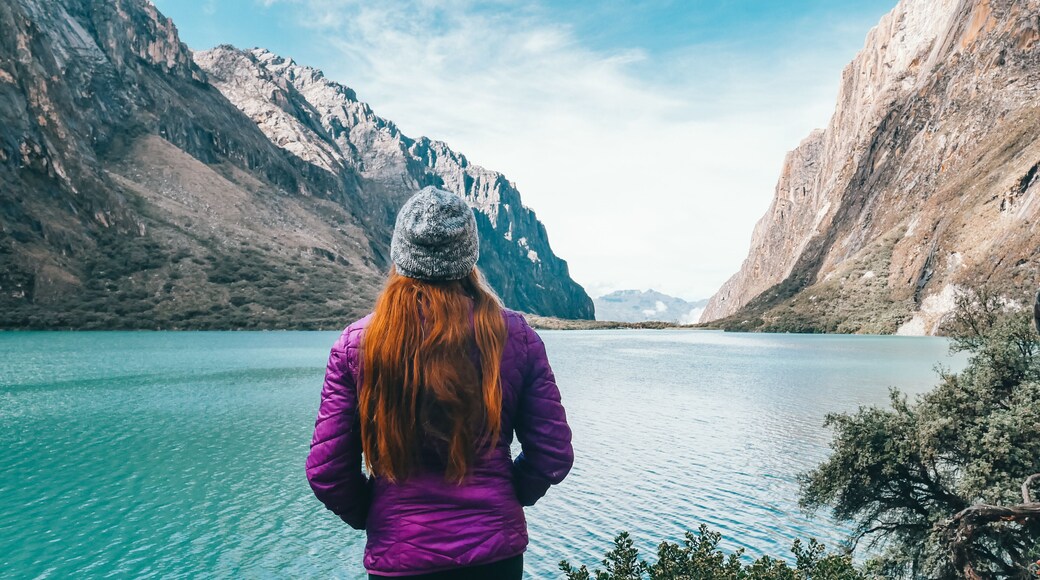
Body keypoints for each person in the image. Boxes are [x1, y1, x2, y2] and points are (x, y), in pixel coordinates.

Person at [306, 186, 574, 579]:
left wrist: (381, 515)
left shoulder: (357, 344)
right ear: (469, 257)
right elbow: (553, 454)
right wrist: (506, 494)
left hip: (399, 558)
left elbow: (327, 472)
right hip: (495, 557)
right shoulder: (515, 335)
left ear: (400, 253)